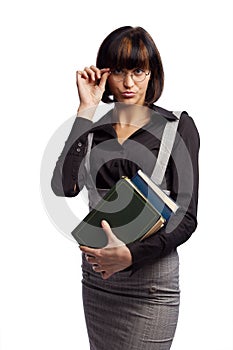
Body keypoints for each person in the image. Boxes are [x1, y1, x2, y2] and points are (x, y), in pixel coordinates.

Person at [51, 26, 199, 350]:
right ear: (105, 74)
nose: (129, 83)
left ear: (152, 74)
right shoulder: (94, 130)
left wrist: (130, 256)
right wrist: (85, 111)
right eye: (118, 71)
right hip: (99, 283)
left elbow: (187, 219)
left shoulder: (178, 128)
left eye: (138, 71)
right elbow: (64, 187)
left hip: (150, 287)